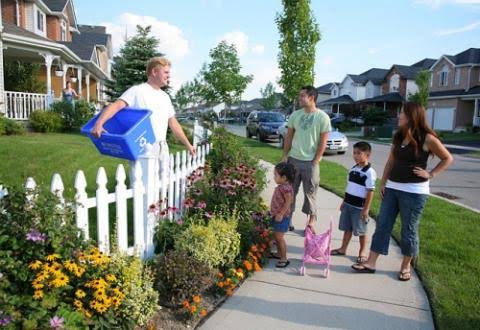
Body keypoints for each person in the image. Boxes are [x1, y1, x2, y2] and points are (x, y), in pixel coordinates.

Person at [352, 102, 453, 281]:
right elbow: (390, 162)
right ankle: (371, 262)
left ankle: (406, 266)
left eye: (403, 113)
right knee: (383, 225)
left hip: (415, 192)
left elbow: (447, 158)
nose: (399, 116)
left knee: (408, 229)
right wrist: (383, 183)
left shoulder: (427, 138)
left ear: (412, 116)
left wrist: (431, 174)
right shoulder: (398, 136)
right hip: (392, 188)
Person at [91, 57, 195, 157]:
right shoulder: (137, 91)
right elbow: (116, 106)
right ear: (154, 72)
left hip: (162, 148)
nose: (169, 76)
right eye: (166, 72)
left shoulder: (165, 97)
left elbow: (173, 123)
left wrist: (188, 144)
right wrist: (99, 124)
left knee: (164, 176)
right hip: (142, 147)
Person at [281, 86, 331, 232]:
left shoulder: (323, 117)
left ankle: (311, 222)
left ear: (311, 98)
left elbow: (323, 141)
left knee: (310, 193)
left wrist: (316, 160)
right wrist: (285, 155)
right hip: (293, 160)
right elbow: (289, 136)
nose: (299, 98)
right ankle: (288, 219)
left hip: (311, 162)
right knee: (290, 191)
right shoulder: (295, 115)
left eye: (302, 95)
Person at [331, 141, 376, 264]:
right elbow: (349, 187)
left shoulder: (369, 172)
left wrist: (366, 209)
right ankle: (343, 248)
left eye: (359, 153)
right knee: (347, 228)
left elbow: (370, 192)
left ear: (367, 154)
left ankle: (362, 252)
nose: (355, 156)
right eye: (354, 153)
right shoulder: (353, 169)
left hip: (359, 208)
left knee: (362, 231)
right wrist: (343, 201)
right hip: (348, 204)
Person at [269, 162, 295, 268]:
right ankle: (279, 254)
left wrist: (280, 213)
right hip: (277, 216)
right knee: (277, 236)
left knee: (279, 238)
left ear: (284, 177)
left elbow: (289, 201)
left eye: (275, 175)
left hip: (282, 217)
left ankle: (284, 258)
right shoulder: (282, 186)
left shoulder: (286, 188)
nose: (274, 177)